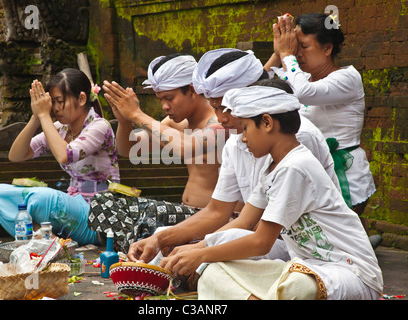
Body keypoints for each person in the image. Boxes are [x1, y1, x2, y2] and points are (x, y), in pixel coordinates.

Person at [160, 86, 383, 300]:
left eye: (246, 128)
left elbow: (261, 242)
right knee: (212, 273)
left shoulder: (296, 166)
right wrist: (193, 250)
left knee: (297, 287)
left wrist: (200, 255)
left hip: (351, 274)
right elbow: (244, 222)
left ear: (266, 122)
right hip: (304, 267)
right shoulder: (272, 168)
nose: (243, 138)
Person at [127, 48, 339, 266]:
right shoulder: (236, 141)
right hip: (258, 238)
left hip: (310, 250)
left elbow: (260, 235)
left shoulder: (297, 136)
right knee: (166, 243)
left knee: (213, 256)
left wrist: (200, 251)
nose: (220, 118)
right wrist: (161, 239)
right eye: (215, 108)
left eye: (226, 108)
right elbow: (218, 213)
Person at [91, 53, 228, 252]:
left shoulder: (220, 122)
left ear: (191, 90)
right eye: (161, 99)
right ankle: (144, 247)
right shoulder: (175, 123)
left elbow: (187, 146)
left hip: (215, 219)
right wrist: (124, 120)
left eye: (169, 98)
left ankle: (148, 248)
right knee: (102, 202)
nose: (164, 107)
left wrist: (137, 114)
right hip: (184, 212)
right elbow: (128, 149)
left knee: (150, 218)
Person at [267, 13, 380, 247]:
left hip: (345, 174)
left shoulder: (347, 78)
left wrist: (287, 56)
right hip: (309, 170)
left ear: (327, 48)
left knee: (332, 238)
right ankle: (363, 243)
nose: (298, 53)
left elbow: (303, 93)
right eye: (295, 46)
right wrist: (278, 53)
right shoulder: (301, 76)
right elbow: (260, 89)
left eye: (304, 46)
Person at [0, 68, 120, 245]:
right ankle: (47, 242)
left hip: (97, 217)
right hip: (73, 209)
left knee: (42, 198)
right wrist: (36, 118)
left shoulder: (99, 127)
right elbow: (17, 155)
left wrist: (45, 116)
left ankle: (48, 243)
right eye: (53, 102)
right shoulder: (61, 128)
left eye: (60, 101)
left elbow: (65, 155)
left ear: (81, 99)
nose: (56, 109)